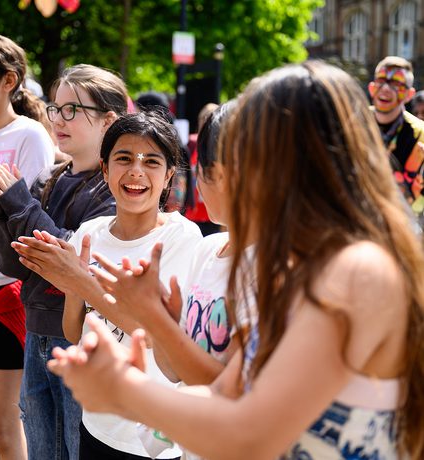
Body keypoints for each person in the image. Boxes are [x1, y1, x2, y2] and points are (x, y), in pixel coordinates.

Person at [48, 60, 424, 459]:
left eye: (248, 152)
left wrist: (124, 391)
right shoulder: (291, 263)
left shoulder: (356, 268)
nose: (230, 172)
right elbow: (226, 393)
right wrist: (149, 339)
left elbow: (251, 433)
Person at [11, 111, 203, 459]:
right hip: (96, 424)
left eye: (152, 161)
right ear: (105, 169)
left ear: (169, 174)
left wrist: (80, 281)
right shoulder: (90, 233)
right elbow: (73, 332)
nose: (136, 171)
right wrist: (70, 285)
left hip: (154, 435)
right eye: (124, 158)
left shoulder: (180, 236)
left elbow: (156, 334)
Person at [0, 63, 128, 460]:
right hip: (35, 330)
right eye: (55, 108)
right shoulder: (49, 178)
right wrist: (1, 209)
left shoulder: (114, 188)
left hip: (80, 336)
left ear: (108, 120)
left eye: (72, 110)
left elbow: (72, 254)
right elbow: (14, 265)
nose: (58, 119)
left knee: (76, 449)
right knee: (42, 450)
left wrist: (17, 203)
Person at [0, 31, 55, 460]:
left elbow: (31, 217)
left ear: (9, 80)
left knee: (3, 426)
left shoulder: (30, 136)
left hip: (7, 293)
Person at [368, 56, 424, 220]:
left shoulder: (421, 134)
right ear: (372, 88)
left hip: (405, 227)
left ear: (409, 94)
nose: (385, 88)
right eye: (382, 80)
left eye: (396, 84)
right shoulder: (351, 123)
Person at [185, 102, 220, 236]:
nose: (207, 122)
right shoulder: (191, 143)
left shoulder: (223, 148)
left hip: (215, 216)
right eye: (204, 118)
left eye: (211, 118)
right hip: (191, 215)